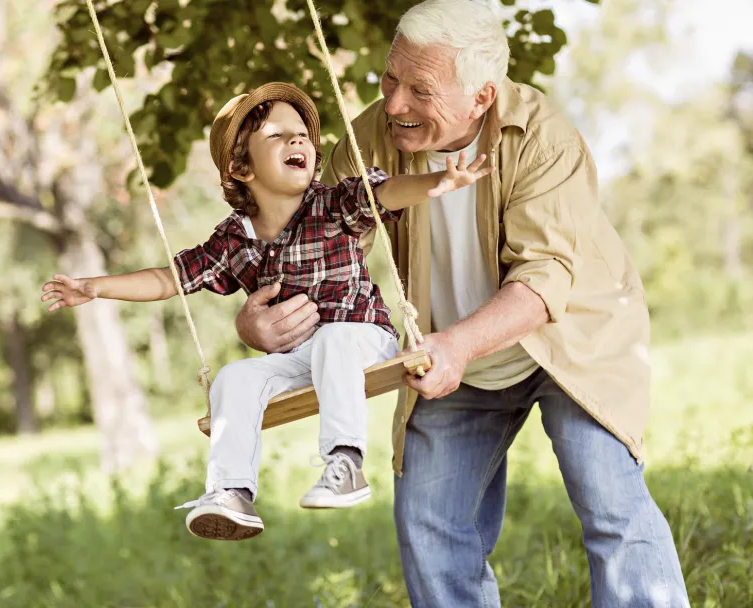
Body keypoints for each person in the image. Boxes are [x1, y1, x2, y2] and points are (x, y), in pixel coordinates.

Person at [232, 0, 691, 605]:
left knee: (611, 504)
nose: (394, 104)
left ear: (480, 96)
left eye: (420, 89)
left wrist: (458, 345)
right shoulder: (372, 137)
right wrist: (259, 319)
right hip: (450, 355)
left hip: (568, 340)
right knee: (429, 525)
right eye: (389, 78)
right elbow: (306, 244)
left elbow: (544, 275)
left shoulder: (542, 137)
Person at [40, 82, 491, 542]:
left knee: (335, 340)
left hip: (361, 340)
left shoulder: (334, 204)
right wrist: (96, 287)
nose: (298, 141)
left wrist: (439, 183)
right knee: (235, 378)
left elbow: (390, 192)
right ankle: (230, 492)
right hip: (302, 357)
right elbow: (169, 278)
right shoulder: (233, 240)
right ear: (241, 167)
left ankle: (345, 463)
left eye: (302, 135)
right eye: (277, 136)